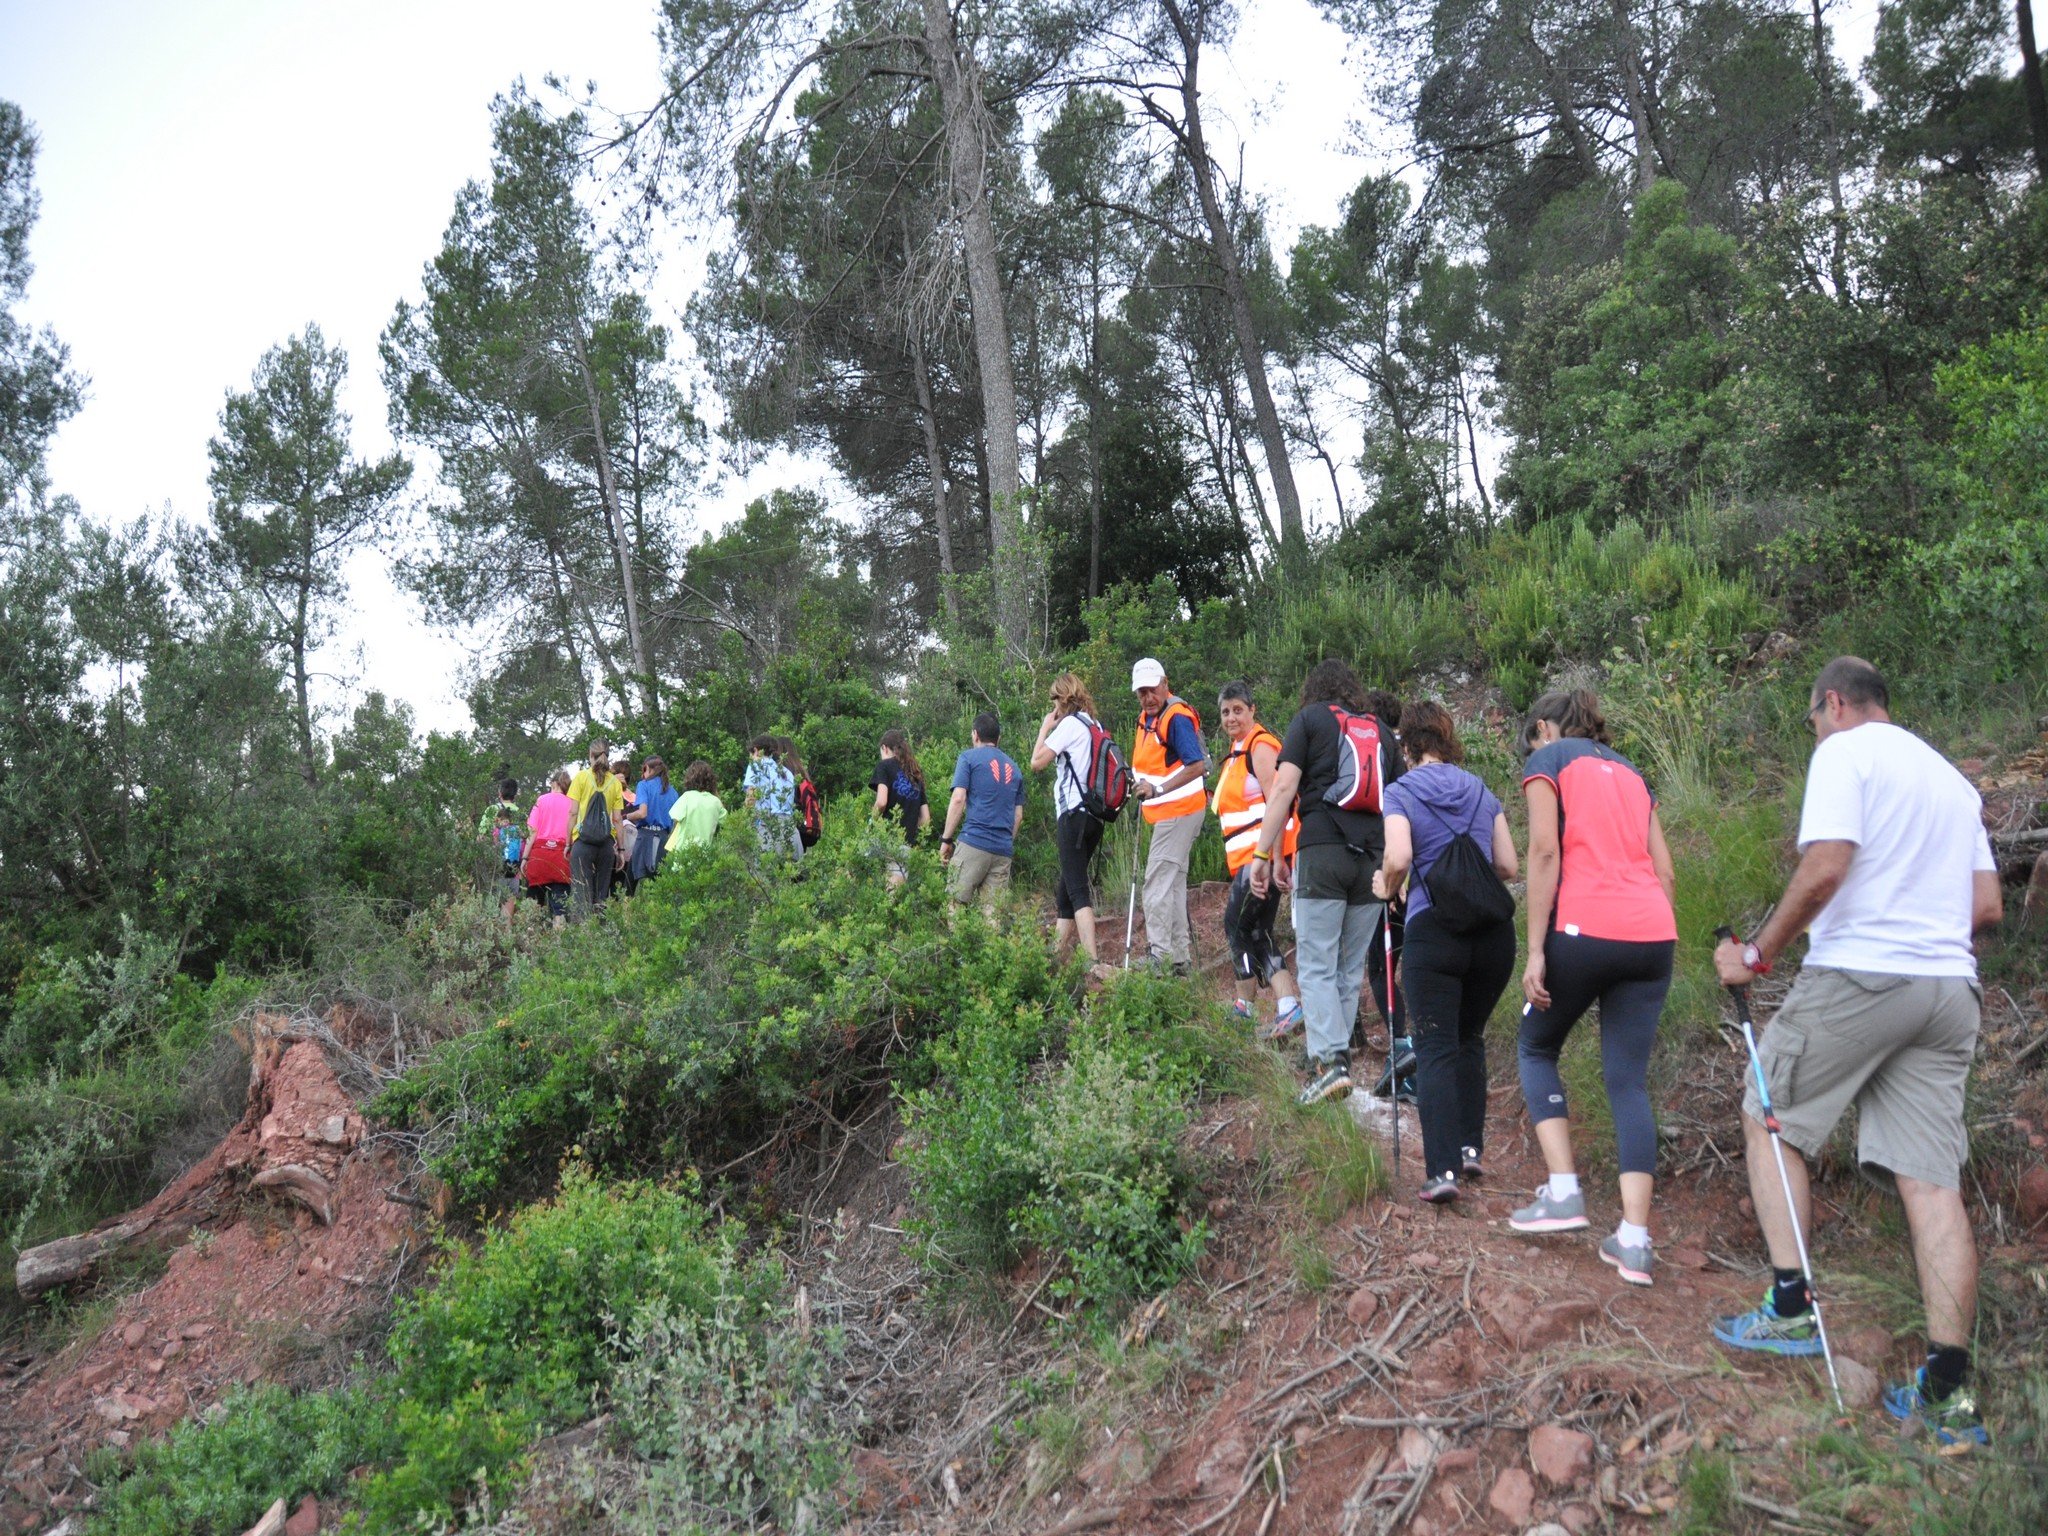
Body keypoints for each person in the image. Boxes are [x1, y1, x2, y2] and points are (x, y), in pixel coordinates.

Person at [1709, 658, 2002, 1445]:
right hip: (1949, 990)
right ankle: (1948, 1392)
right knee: (1930, 1182)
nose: (1816, 731)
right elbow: (1986, 905)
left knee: (1767, 1111)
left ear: (1833, 703)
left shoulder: (1845, 752)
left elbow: (1827, 867)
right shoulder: (1951, 782)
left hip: (1864, 971)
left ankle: (1790, 1307)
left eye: (1812, 719)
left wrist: (1758, 955)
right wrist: (1923, 936)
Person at [1509, 689, 1677, 1288]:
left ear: (1545, 728)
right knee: (1628, 1082)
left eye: (1532, 739)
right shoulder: (1632, 772)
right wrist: (1655, 933)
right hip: (1653, 934)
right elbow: (1665, 870)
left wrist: (1536, 949)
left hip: (1584, 927)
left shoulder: (1548, 761)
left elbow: (1544, 852)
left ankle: (1563, 1191)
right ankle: (1634, 1240)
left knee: (1535, 1044)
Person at [1374, 701, 1520, 1204]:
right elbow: (1508, 865)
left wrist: (1386, 884)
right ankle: (1470, 1149)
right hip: (1493, 936)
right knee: (1469, 1039)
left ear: (1408, 745)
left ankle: (1442, 1173)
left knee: (1434, 1044)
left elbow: (1399, 855)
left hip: (1435, 930)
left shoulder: (1400, 791)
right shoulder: (1480, 789)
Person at [1247, 659, 1404, 1105]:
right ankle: (1335, 1059)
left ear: (1313, 689)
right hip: (1372, 862)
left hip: (1323, 852)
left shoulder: (1310, 720)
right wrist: (1399, 872)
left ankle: (1330, 1062)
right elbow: (1400, 803)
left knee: (1316, 963)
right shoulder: (1381, 732)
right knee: (1348, 969)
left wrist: (1263, 854)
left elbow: (1283, 789)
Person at [1210, 682, 1300, 1037]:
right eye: (1225, 712)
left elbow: (1278, 801)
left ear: (1252, 710)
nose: (1231, 717)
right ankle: (1287, 1005)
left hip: (1259, 859)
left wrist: (1275, 859)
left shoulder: (1260, 747)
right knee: (1258, 931)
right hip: (1251, 859)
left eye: (1237, 710)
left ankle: (1244, 1007)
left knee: (1236, 925)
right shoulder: (1237, 751)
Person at [1129, 659, 1209, 974]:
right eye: (1142, 692)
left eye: (1153, 689)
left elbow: (1197, 765)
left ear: (1165, 683)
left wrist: (1158, 789)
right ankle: (1179, 958)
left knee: (1156, 882)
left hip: (1179, 810)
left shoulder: (1175, 718)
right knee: (1173, 883)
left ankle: (1158, 956)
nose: (1148, 697)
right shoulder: (1150, 717)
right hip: (1173, 812)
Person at [1031, 672, 1107, 965]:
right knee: (1065, 890)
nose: (1053, 706)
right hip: (1095, 818)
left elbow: (1036, 762)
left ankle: (1091, 961)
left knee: (1077, 890)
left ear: (1063, 698)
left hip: (1073, 815)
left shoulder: (1070, 725)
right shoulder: (1095, 725)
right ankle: (1054, 957)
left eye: (1054, 699)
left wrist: (1044, 728)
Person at [1361, 690, 1413, 1100]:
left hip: (1390, 873)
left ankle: (1401, 1047)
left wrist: (1392, 876)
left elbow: (1384, 820)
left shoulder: (1377, 756)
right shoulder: (1411, 753)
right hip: (1423, 879)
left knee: (1380, 966)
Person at [940, 713, 1026, 911]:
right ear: (998, 738)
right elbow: (1018, 816)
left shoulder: (968, 757)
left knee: (955, 904)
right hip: (1003, 849)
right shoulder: (1015, 768)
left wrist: (946, 839)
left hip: (974, 841)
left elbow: (959, 798)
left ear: (975, 734)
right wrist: (1005, 842)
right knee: (992, 914)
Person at [566, 742, 626, 916]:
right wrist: (621, 850)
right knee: (601, 894)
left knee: (581, 892)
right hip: (605, 844)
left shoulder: (581, 777)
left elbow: (573, 813)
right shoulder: (615, 783)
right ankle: (600, 927)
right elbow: (617, 819)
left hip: (583, 842)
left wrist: (568, 842)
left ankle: (582, 927)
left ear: (590, 755)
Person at [871, 729, 932, 885]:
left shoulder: (884, 766)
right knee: (894, 893)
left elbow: (881, 802)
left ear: (884, 748)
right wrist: (908, 824)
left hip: (883, 837)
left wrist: (872, 820)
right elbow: (925, 819)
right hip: (905, 845)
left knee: (856, 877)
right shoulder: (915, 774)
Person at [522, 769, 575, 926]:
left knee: (534, 904)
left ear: (553, 784)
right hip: (562, 855)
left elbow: (533, 832)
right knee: (559, 907)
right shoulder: (572, 803)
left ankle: (532, 935)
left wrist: (525, 858)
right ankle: (559, 935)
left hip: (539, 855)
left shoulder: (541, 800)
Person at [743, 734, 801, 860]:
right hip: (790, 830)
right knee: (792, 871)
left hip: (767, 829)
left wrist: (744, 821)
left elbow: (751, 794)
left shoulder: (755, 765)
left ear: (756, 750)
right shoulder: (786, 772)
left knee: (764, 871)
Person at [627, 756, 679, 888]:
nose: (643, 774)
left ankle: (626, 902)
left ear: (648, 769)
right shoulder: (672, 791)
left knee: (630, 882)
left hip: (645, 837)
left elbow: (642, 813)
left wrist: (626, 816)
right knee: (660, 886)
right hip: (663, 840)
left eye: (644, 770)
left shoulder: (644, 785)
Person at [477, 778, 525, 918]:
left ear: (500, 793)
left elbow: (480, 838)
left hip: (495, 865)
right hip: (514, 866)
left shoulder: (492, 810)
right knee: (508, 904)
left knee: (491, 905)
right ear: (515, 795)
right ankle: (507, 930)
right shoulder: (521, 813)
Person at [666, 760, 727, 854]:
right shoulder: (715, 802)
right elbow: (726, 822)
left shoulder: (687, 797)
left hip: (683, 853)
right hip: (705, 853)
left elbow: (675, 819)